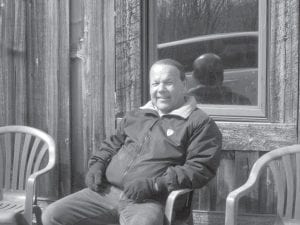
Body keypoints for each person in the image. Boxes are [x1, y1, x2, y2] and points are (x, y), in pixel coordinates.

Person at [42, 59, 222, 225]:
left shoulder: (199, 123)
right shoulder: (138, 114)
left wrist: (154, 184)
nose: (160, 89)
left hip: (150, 199)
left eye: (168, 83)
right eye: (155, 83)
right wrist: (97, 165)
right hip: (106, 192)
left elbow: (200, 168)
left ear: (184, 85)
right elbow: (112, 144)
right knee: (52, 215)